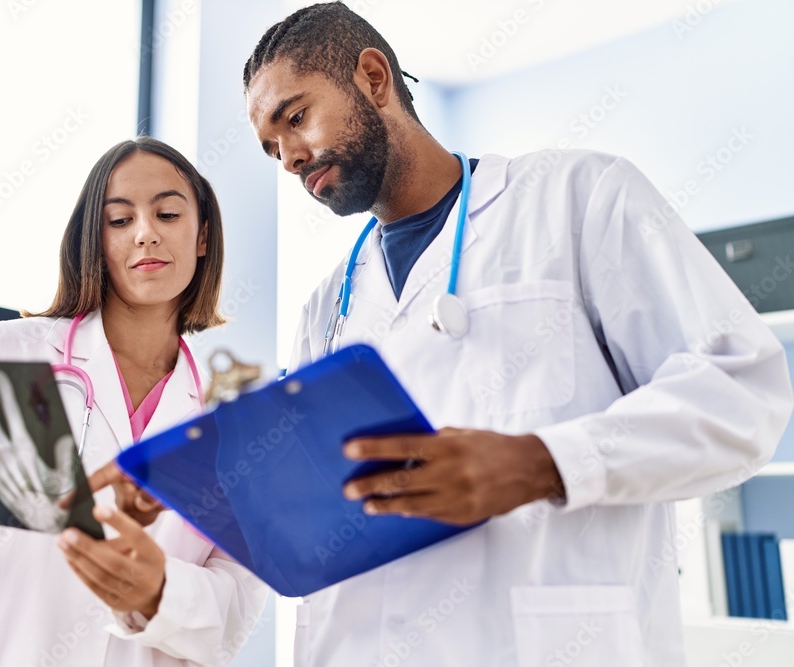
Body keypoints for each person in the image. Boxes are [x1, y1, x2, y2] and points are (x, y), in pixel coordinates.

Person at [243, 3, 793, 665]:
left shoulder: (578, 198)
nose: (289, 157)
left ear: (373, 77)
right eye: (271, 146)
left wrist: (538, 462)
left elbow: (740, 390)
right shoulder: (328, 303)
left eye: (296, 118)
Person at [0, 137, 268, 667]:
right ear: (94, 241)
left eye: (168, 213)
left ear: (202, 237)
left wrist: (157, 592)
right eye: (119, 221)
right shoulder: (12, 356)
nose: (147, 233)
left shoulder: (233, 419)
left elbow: (236, 610)